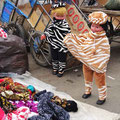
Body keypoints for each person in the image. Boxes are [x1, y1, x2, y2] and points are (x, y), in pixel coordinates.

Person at [63, 11, 110, 105]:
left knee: (99, 79)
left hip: (98, 63)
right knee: (87, 76)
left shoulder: (103, 39)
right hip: (87, 61)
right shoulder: (89, 34)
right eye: (93, 26)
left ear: (103, 28)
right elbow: (81, 39)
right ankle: (88, 90)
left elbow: (105, 53)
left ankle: (102, 96)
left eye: (97, 27)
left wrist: (100, 62)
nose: (94, 29)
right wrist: (72, 39)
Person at [41, 2, 71, 77]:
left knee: (62, 57)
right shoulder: (53, 24)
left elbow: (68, 32)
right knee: (54, 56)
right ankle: (55, 68)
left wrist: (69, 38)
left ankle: (61, 70)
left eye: (62, 15)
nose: (60, 17)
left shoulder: (65, 24)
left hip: (62, 44)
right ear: (54, 14)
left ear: (65, 15)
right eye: (58, 15)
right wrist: (45, 34)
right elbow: (49, 30)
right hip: (54, 43)